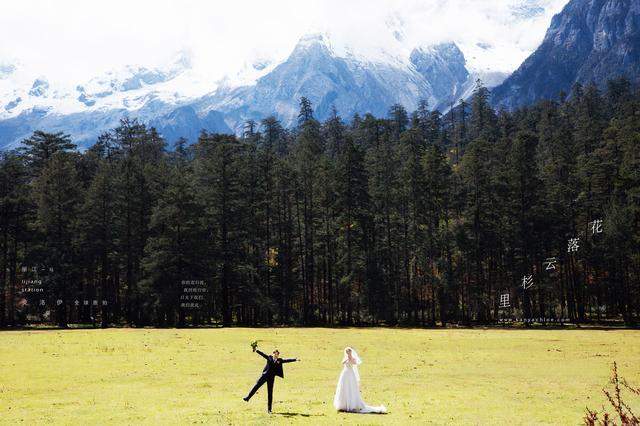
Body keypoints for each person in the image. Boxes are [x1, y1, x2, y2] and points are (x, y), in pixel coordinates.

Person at [243, 345, 299, 413]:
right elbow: (263, 354)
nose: (276, 355)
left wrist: (295, 359)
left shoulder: (279, 360)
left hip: (271, 378)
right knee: (256, 386)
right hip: (264, 376)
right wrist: (256, 350)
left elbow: (286, 360)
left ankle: (269, 410)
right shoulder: (269, 357)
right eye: (275, 354)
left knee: (270, 393)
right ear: (273, 354)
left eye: (277, 354)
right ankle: (248, 398)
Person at [333, 347, 386, 413]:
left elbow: (354, 363)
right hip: (344, 374)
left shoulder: (353, 358)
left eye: (348, 352)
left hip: (350, 374)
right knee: (344, 387)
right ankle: (343, 404)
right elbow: (342, 362)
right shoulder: (345, 358)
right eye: (347, 352)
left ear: (351, 352)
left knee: (351, 387)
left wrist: (350, 357)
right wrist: (347, 358)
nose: (347, 353)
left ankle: (352, 404)